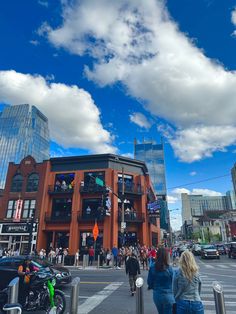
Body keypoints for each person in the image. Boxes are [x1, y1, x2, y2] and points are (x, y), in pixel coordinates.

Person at [147, 247, 175, 314]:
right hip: (169, 295)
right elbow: (174, 283)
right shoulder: (170, 269)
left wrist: (154, 287)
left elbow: (149, 282)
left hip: (157, 295)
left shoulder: (153, 267)